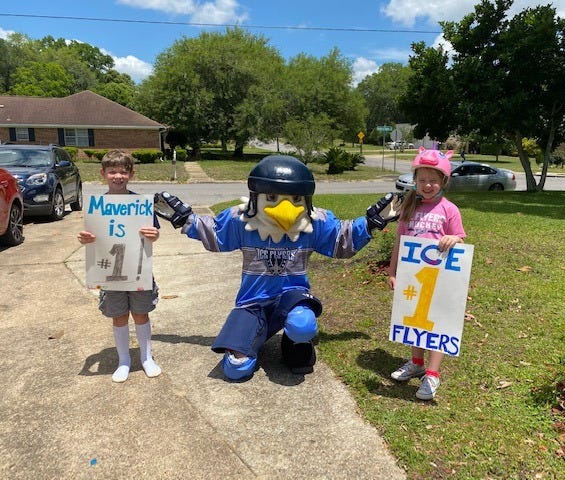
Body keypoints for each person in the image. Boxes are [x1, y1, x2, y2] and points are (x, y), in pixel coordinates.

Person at [154, 154, 401, 380]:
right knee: (235, 369)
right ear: (256, 196)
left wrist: (369, 224)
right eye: (271, 198)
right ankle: (255, 336)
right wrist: (185, 220)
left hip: (292, 298)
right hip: (253, 302)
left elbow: (341, 238)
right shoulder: (242, 221)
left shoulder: (315, 222)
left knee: (302, 325)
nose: (285, 210)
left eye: (295, 199)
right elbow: (216, 232)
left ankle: (295, 342)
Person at [387, 148, 466, 400]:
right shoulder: (410, 207)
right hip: (413, 278)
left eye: (433, 180)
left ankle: (432, 374)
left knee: (437, 325)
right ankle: (416, 363)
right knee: (415, 321)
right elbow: (399, 242)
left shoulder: (449, 210)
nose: (427, 185)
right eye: (422, 180)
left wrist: (454, 239)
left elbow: (461, 241)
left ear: (443, 181)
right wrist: (393, 271)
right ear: (415, 182)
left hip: (439, 279)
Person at [77, 149, 162, 383]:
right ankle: (123, 360)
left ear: (131, 174)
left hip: (137, 269)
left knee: (141, 313)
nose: (117, 176)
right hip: (110, 271)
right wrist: (85, 238)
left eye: (123, 172)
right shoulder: (97, 206)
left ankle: (146, 358)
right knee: (119, 316)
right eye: (112, 171)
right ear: (103, 173)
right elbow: (90, 235)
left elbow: (153, 234)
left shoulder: (141, 204)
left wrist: (153, 234)